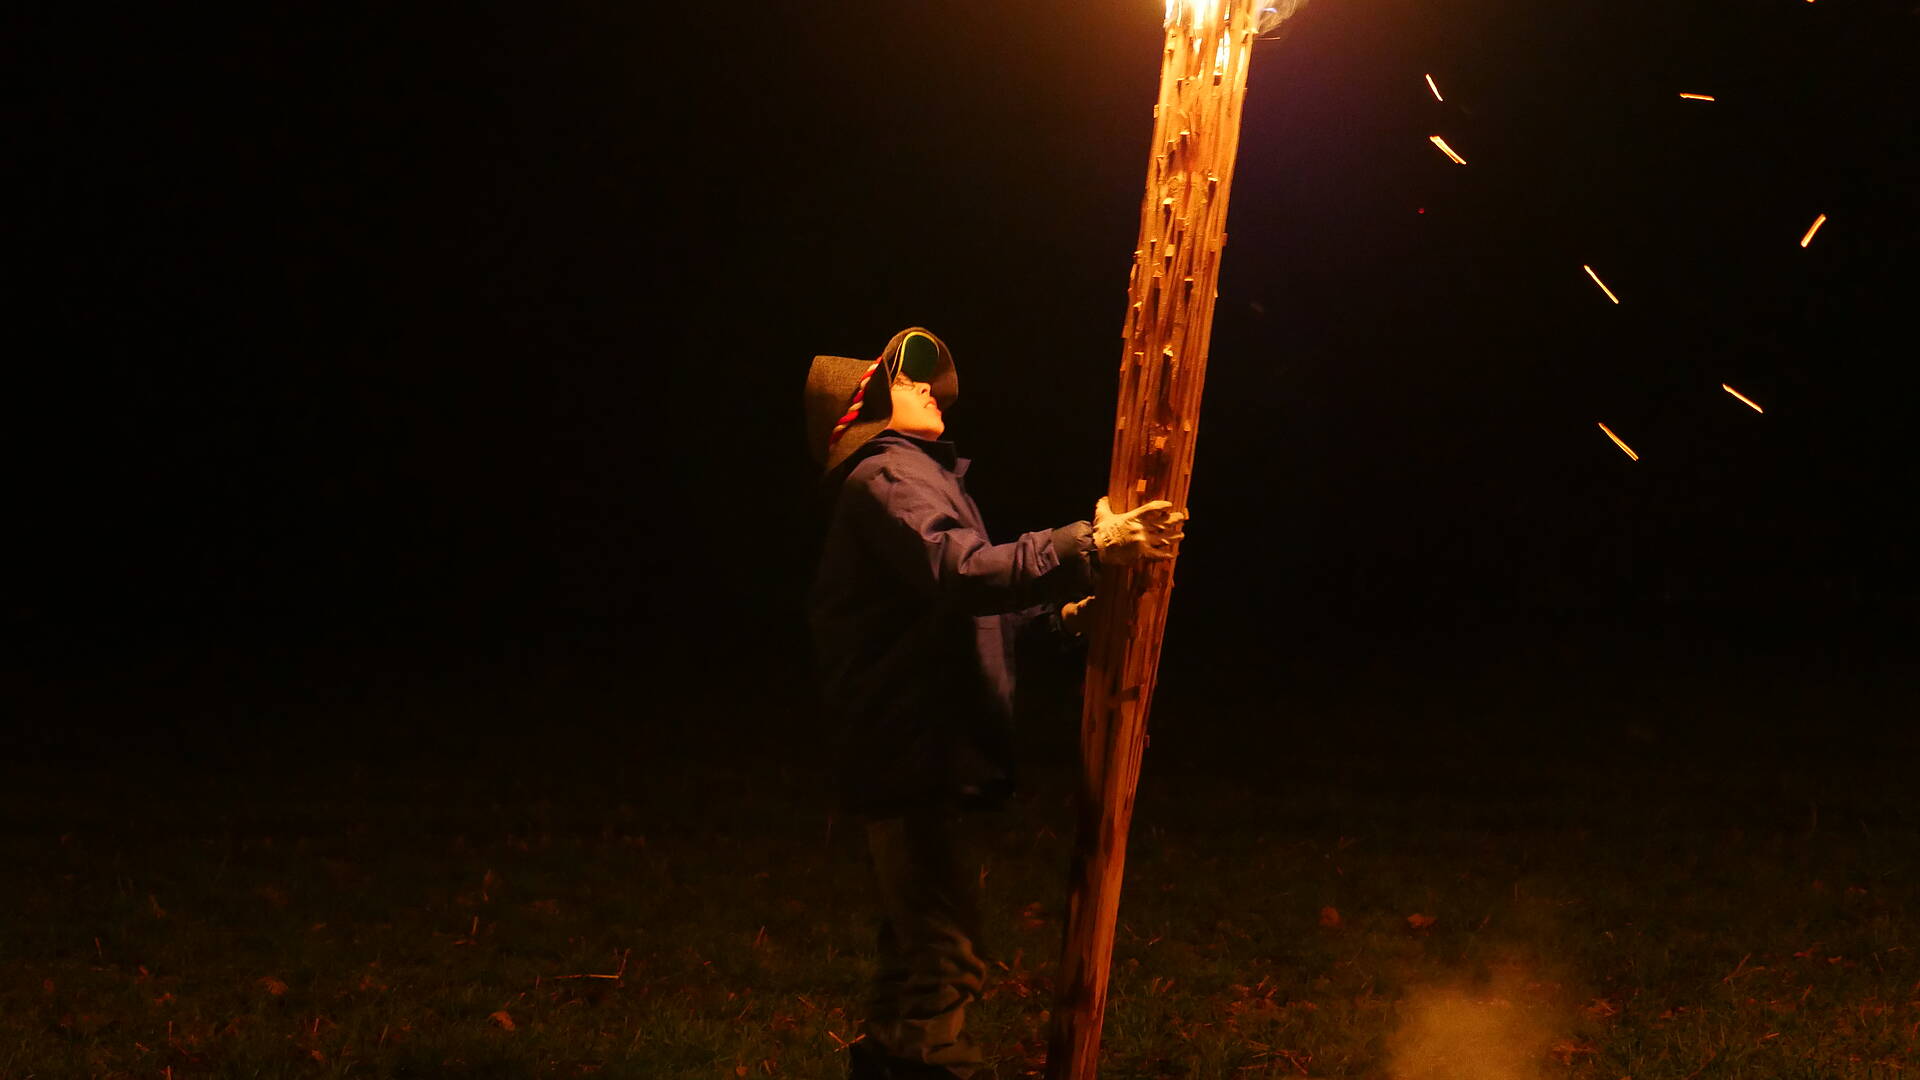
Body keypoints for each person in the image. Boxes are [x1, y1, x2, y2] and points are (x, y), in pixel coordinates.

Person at [804, 327, 1186, 1079]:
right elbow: (964, 571)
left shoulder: (921, 476)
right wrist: (1088, 544)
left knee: (914, 958)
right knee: (944, 964)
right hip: (919, 756)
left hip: (919, 753)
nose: (925, 386)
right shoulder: (886, 478)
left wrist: (1061, 617)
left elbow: (961, 605)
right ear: (864, 411)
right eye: (901, 381)